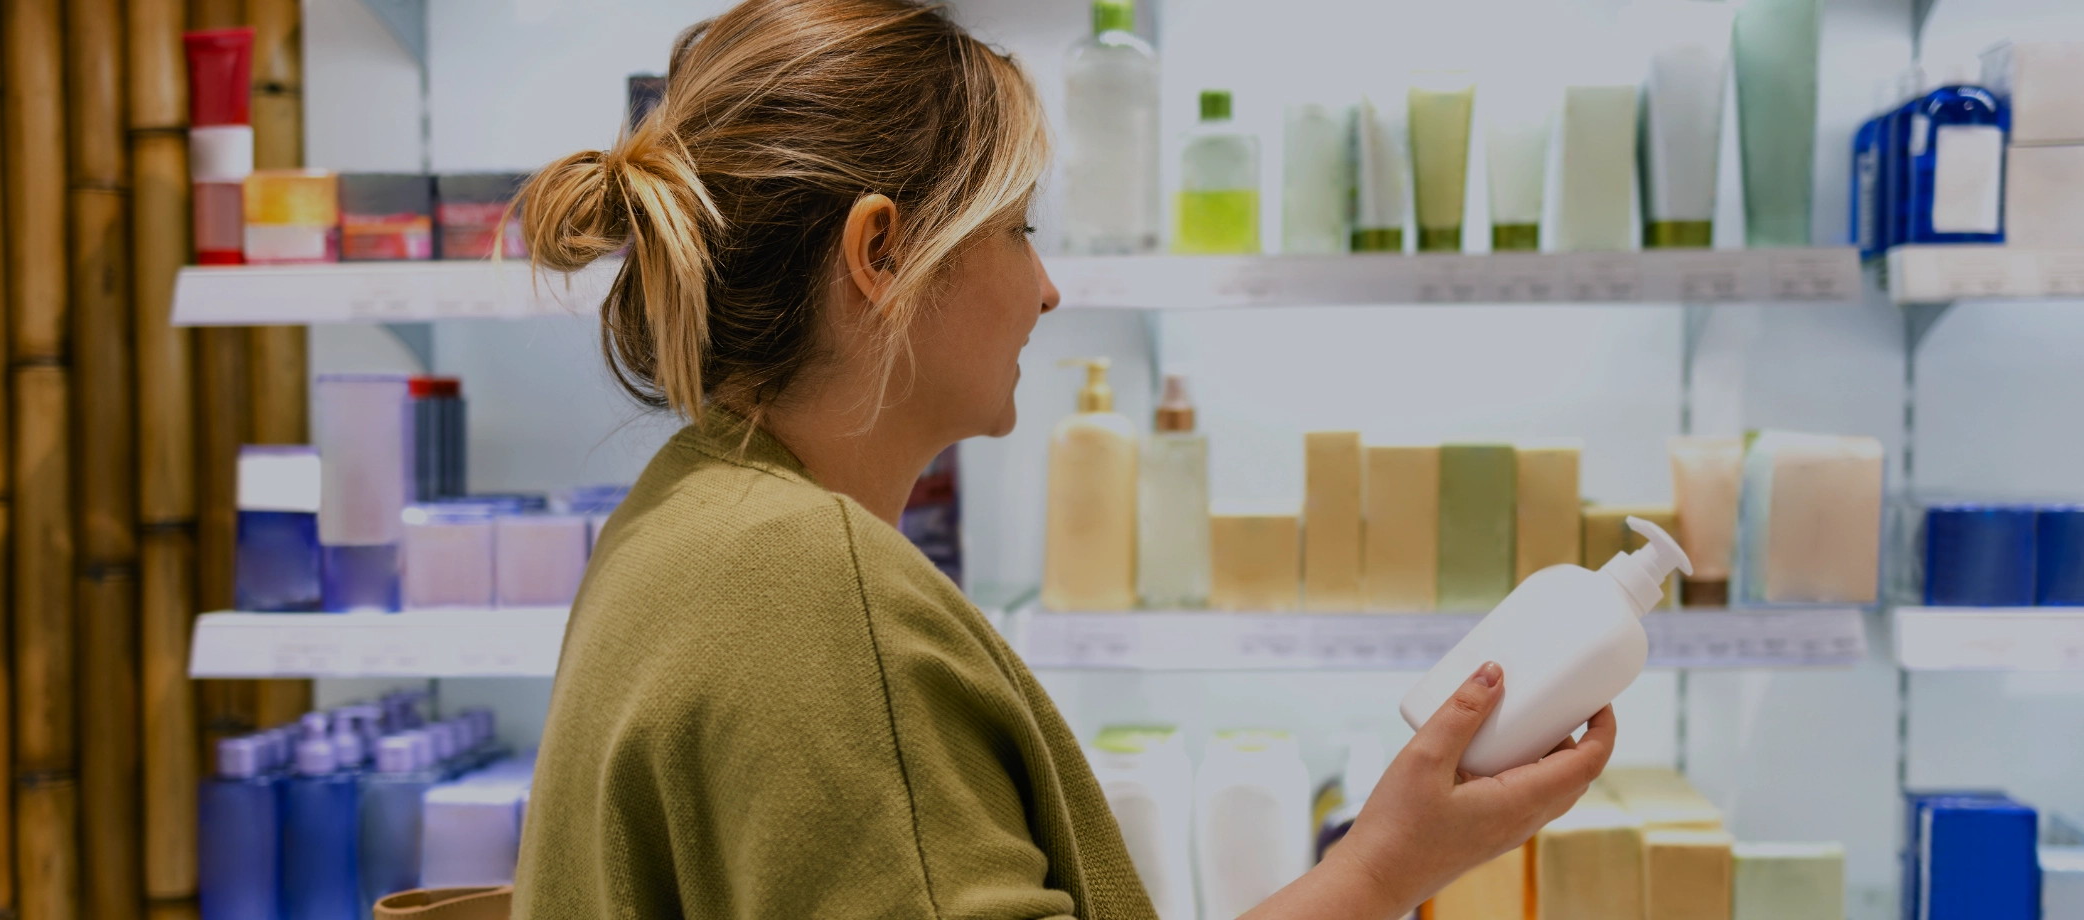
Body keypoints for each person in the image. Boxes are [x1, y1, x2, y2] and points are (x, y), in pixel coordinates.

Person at [508, 1, 1617, 917]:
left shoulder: (681, 513)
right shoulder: (809, 587)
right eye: (1019, 227)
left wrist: (1385, 859)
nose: (1046, 288)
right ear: (881, 253)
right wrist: (1383, 867)